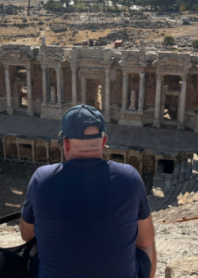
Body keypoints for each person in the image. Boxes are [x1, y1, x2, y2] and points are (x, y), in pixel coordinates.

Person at [20, 104, 156, 278]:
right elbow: (145, 240)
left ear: (66, 143)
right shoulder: (130, 176)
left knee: (37, 244)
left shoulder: (41, 178)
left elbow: (27, 235)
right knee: (147, 242)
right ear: (104, 141)